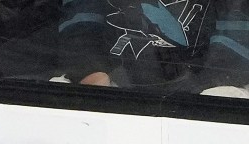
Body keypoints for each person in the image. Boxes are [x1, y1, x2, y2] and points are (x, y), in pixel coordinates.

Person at [57, 0, 249, 95]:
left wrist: (207, 90)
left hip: (203, 92)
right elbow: (80, 24)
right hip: (109, 90)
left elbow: (236, 34)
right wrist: (90, 70)